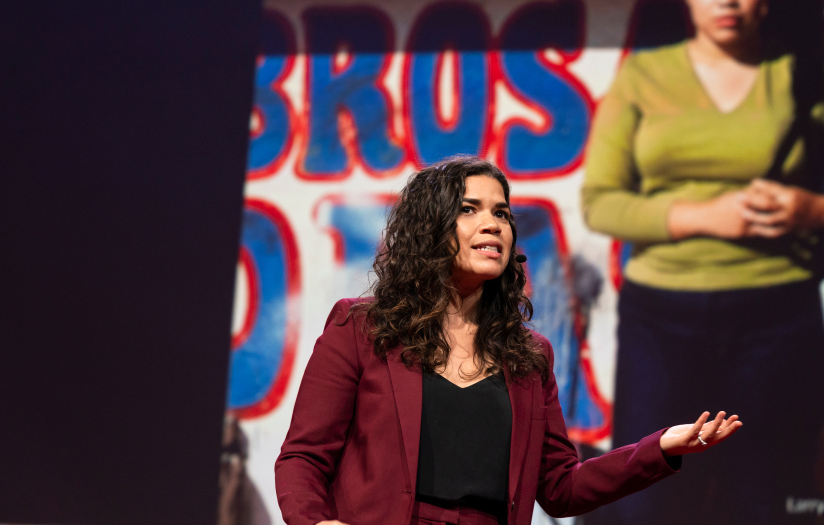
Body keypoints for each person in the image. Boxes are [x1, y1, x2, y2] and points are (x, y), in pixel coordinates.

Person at [581, 0, 824, 525]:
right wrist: (701, 217)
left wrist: (814, 209)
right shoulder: (643, 79)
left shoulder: (807, 77)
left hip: (777, 321)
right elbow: (602, 202)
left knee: (768, 499)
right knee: (645, 503)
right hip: (661, 323)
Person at [275, 156, 742, 525]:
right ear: (429, 230)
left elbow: (560, 487)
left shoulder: (530, 357)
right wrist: (317, 524)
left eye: (502, 212)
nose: (494, 224)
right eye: (469, 209)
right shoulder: (361, 329)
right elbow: (303, 457)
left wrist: (658, 449)